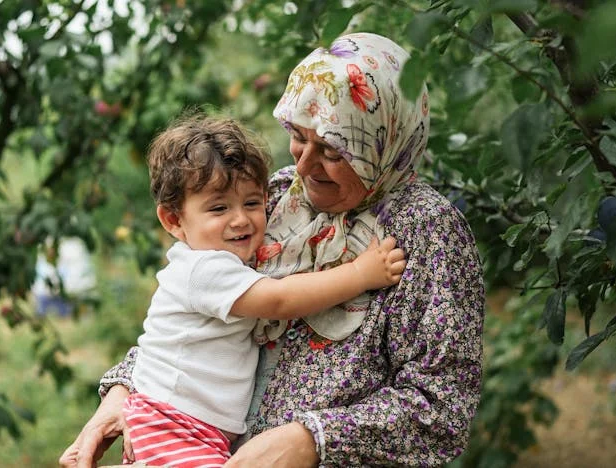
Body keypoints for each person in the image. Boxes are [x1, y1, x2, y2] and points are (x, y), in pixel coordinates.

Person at [60, 32, 485, 468]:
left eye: (332, 149)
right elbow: (194, 325)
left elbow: (440, 411)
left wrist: (312, 440)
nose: (303, 164)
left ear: (383, 141)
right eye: (299, 136)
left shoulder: (427, 232)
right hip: (192, 441)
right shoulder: (277, 194)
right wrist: (122, 392)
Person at [101, 115, 405, 467]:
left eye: (251, 203)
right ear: (173, 221)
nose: (241, 219)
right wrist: (359, 274)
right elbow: (279, 299)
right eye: (219, 208)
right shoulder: (204, 270)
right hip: (174, 423)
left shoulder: (220, 263)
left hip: (187, 425)